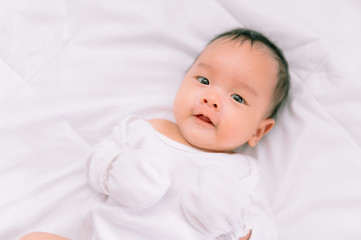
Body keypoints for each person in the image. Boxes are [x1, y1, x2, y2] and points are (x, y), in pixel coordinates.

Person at [21, 28, 289, 240]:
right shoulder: (145, 130)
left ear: (258, 131)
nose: (212, 98)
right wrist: (116, 168)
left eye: (238, 97)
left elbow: (266, 232)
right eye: (204, 81)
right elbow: (96, 160)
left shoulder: (243, 174)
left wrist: (239, 227)